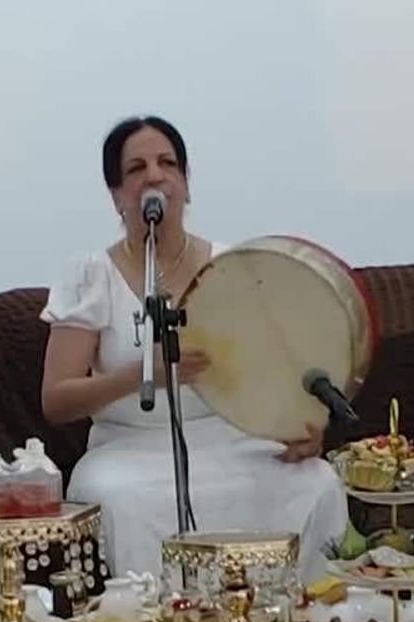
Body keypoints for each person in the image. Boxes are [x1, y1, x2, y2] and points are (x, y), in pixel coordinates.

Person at [40, 116, 347, 578]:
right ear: (117, 195)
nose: (155, 176)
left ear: (185, 184)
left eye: (168, 164)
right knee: (118, 498)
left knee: (317, 481)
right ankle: (157, 618)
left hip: (232, 441)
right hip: (128, 452)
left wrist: (299, 427)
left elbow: (271, 369)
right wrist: (145, 375)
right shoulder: (91, 274)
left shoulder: (230, 267)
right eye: (137, 168)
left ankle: (295, 613)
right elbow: (56, 400)